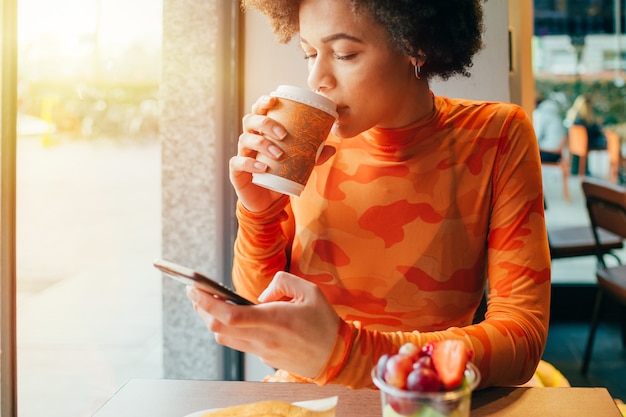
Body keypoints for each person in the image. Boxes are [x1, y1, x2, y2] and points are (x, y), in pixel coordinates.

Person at [186, 0, 551, 390]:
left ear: (417, 44)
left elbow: (522, 337)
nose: (316, 78)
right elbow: (262, 303)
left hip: (420, 401)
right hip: (306, 399)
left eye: (344, 54)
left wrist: (349, 355)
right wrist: (258, 212)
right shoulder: (307, 142)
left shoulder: (495, 136)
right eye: (309, 53)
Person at [533, 93, 567, 163]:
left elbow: (536, 135)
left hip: (549, 152)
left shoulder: (541, 113)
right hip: (557, 152)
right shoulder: (554, 111)